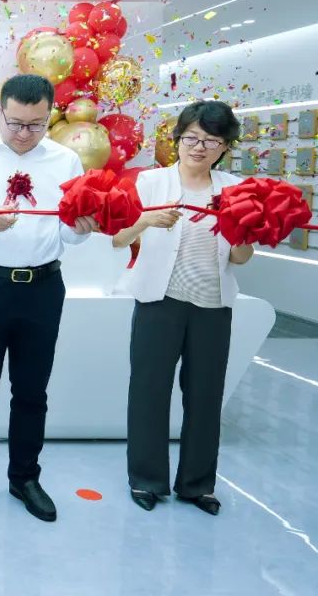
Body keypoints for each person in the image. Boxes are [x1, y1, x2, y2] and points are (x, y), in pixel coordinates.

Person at [0, 73, 97, 522]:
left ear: (50, 117)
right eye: (16, 123)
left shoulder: (66, 160)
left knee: (31, 391)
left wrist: (81, 228)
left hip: (43, 289)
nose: (24, 133)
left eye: (36, 124)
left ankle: (25, 477)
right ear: (1, 112)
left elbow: (69, 234)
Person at [112, 100, 251, 515]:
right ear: (177, 139)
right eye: (191, 137)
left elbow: (241, 257)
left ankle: (197, 484)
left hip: (212, 304)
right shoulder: (150, 182)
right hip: (159, 300)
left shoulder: (235, 189)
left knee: (206, 395)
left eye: (211, 140)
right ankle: (146, 479)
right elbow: (117, 239)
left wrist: (240, 231)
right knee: (149, 390)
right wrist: (145, 222)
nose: (199, 147)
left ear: (225, 147)